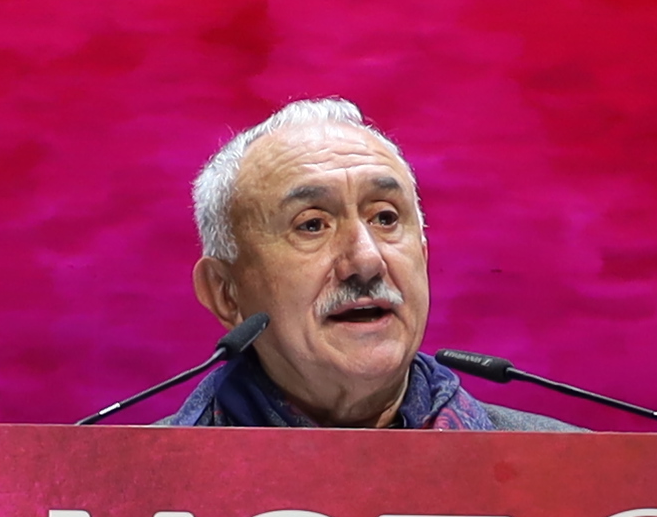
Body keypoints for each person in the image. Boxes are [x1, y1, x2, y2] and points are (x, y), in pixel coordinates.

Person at [163, 99, 572, 430]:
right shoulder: (134, 494)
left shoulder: (570, 480)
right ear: (225, 292)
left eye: (386, 218)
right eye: (312, 225)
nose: (366, 260)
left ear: (424, 255)